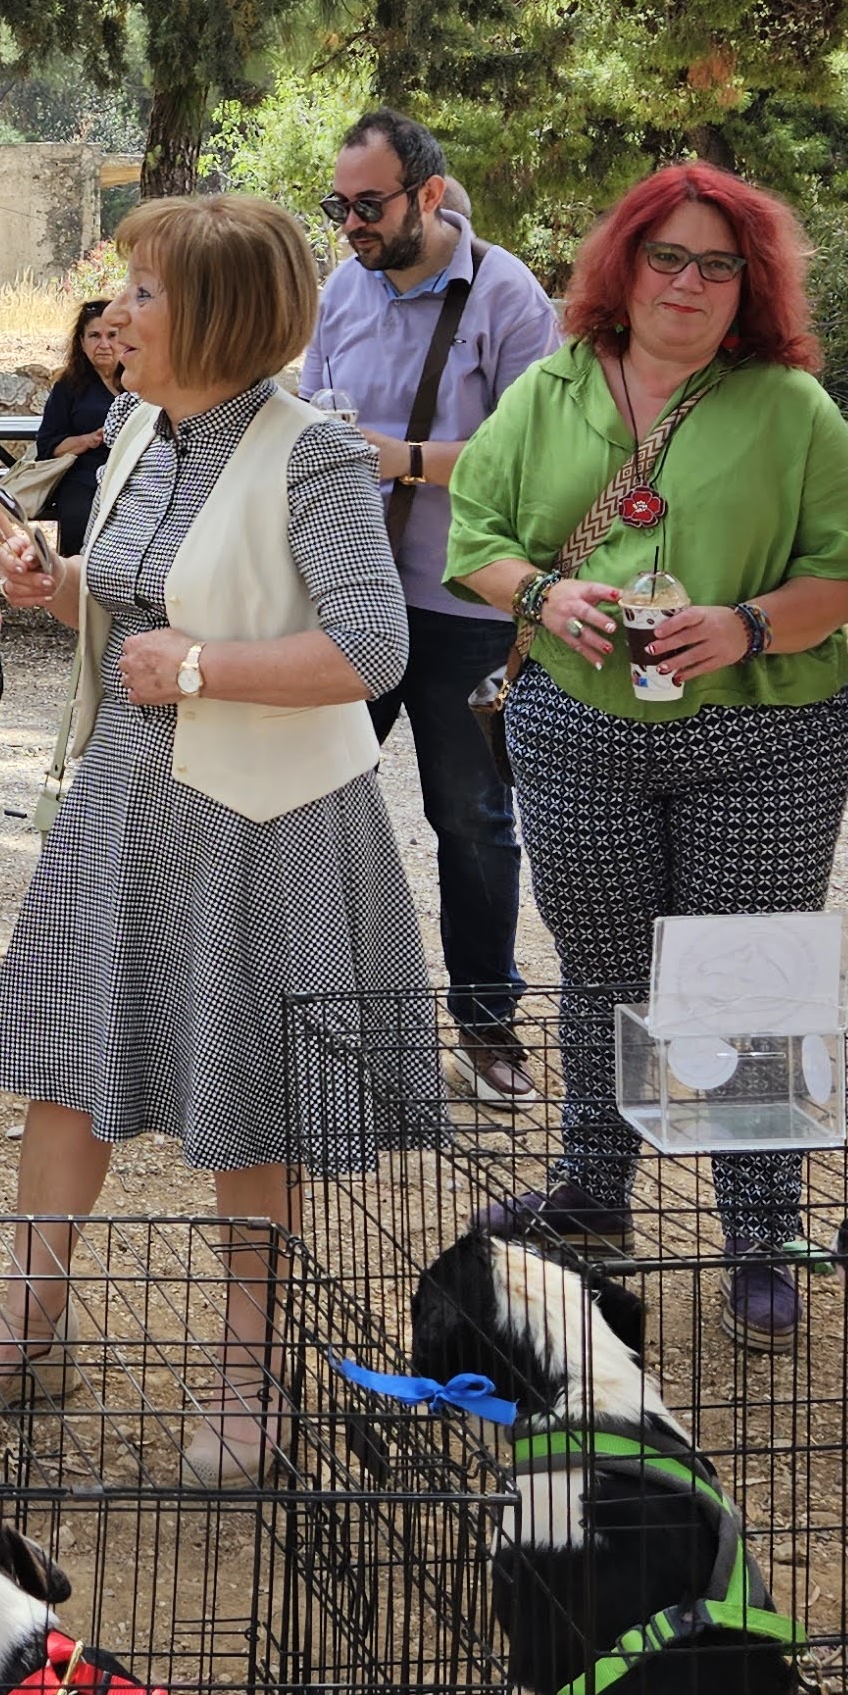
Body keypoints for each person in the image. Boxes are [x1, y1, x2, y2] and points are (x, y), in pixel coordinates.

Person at [0, 192, 440, 1480]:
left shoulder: (312, 451)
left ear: (214, 315)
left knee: (246, 1101)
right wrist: (56, 595)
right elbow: (140, 613)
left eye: (144, 293)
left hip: (262, 824)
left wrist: (205, 665)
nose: (115, 314)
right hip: (128, 795)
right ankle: (24, 1320)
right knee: (68, 1061)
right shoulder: (142, 431)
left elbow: (372, 647)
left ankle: (244, 1377)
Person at [445, 162, 848, 1347]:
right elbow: (474, 535)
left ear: (751, 286)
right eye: (667, 257)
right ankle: (594, 1194)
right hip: (579, 725)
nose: (688, 284)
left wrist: (743, 625)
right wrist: (543, 594)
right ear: (623, 265)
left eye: (718, 265)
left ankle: (757, 1232)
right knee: (600, 965)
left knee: (744, 973)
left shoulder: (789, 407)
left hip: (765, 733)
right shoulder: (546, 391)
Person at [299, 110, 561, 1110]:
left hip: (464, 605)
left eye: (369, 204)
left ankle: (487, 1028)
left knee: (474, 820)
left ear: (429, 195)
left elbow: (531, 458)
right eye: (339, 205)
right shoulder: (339, 289)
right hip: (350, 592)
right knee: (314, 803)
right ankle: (323, 1022)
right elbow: (316, 416)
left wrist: (393, 457)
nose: (351, 224)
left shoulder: (506, 297)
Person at [28, 298, 124, 557]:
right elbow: (48, 446)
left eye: (112, 335)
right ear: (82, 342)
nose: (104, 344)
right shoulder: (69, 387)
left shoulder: (140, 381)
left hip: (130, 477)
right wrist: (90, 439)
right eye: (94, 335)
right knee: (81, 520)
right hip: (84, 479)